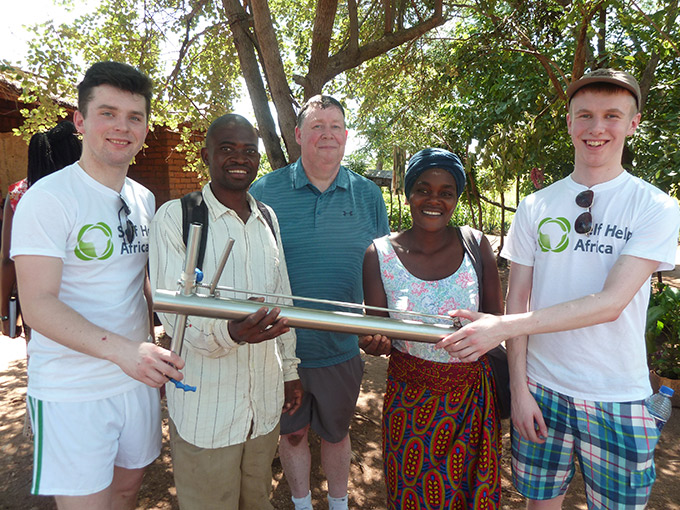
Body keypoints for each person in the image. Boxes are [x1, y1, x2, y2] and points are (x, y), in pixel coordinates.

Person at [437, 69, 680, 509]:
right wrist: (520, 388)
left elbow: (611, 303)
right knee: (539, 504)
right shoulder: (536, 206)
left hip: (619, 396)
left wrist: (501, 327)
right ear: (569, 122)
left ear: (634, 123)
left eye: (612, 115)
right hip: (542, 389)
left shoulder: (656, 206)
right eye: (584, 115)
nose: (597, 128)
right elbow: (519, 297)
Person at [11, 61, 184, 510]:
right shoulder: (47, 199)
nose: (122, 127)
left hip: (136, 381)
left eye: (135, 116)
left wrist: (193, 314)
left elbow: (139, 283)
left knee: (127, 490)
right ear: (81, 120)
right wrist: (124, 351)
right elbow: (38, 305)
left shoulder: (143, 198)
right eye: (108, 113)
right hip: (72, 389)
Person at [149, 113, 303, 510]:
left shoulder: (267, 218)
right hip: (207, 410)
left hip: (262, 405)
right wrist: (231, 333)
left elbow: (282, 299)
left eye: (249, 151)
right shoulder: (177, 217)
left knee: (257, 500)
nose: (240, 158)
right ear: (206, 155)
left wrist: (289, 372)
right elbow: (172, 312)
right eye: (228, 149)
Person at [250, 94, 390, 510]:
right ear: (298, 135)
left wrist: (379, 323)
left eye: (334, 127)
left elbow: (382, 267)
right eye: (316, 126)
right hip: (281, 347)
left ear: (346, 137)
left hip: (340, 348)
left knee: (336, 432)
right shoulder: (264, 190)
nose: (326, 134)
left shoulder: (367, 195)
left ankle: (339, 503)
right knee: (291, 433)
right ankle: (300, 503)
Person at [360, 148, 502, 509]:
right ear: (408, 193)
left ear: (456, 198)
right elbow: (378, 334)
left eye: (446, 191)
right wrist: (376, 342)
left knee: (473, 496)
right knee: (414, 496)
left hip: (472, 400)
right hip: (411, 401)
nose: (434, 199)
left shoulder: (475, 245)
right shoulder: (379, 255)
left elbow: (495, 324)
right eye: (423, 189)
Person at [1, 121, 82, 339]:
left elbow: (9, 259)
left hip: (36, 304)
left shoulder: (19, 194)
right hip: (88, 301)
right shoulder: (87, 191)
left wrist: (4, 312)